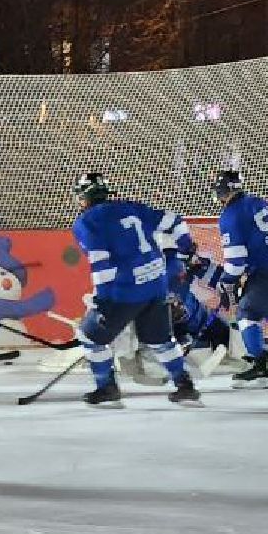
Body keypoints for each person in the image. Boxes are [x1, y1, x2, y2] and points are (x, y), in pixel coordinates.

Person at [69, 172, 201, 408]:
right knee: (160, 340)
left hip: (126, 291)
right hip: (156, 283)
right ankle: (184, 385)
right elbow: (175, 221)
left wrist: (103, 302)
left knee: (89, 336)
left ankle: (106, 387)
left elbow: (101, 263)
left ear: (84, 198)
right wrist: (186, 248)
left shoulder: (86, 222)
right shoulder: (131, 207)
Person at [203, 169, 268, 389]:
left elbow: (236, 261)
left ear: (221, 192)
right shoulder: (257, 202)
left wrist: (226, 282)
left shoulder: (230, 215)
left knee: (246, 313)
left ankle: (258, 368)